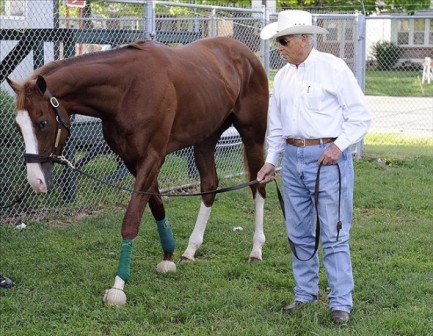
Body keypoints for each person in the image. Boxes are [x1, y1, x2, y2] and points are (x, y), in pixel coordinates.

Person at [257, 10, 371, 324]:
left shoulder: (333, 68)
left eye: (283, 40)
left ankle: (340, 304)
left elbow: (361, 116)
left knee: (334, 233)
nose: (278, 47)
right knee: (298, 233)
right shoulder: (282, 77)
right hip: (293, 162)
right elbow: (277, 128)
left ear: (305, 39)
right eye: (277, 41)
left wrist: (338, 146)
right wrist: (270, 162)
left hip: (328, 159)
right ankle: (304, 294)